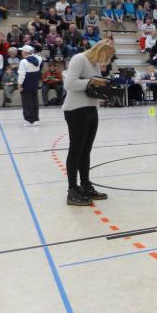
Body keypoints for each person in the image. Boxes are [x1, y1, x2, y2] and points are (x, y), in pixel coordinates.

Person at [62, 40, 116, 205]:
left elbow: (91, 85)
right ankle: (72, 190)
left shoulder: (94, 63)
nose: (105, 62)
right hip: (76, 110)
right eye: (106, 57)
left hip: (91, 109)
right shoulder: (79, 59)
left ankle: (85, 185)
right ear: (100, 52)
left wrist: (102, 89)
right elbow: (69, 84)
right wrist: (92, 81)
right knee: (76, 150)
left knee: (86, 151)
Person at [17, 44, 42, 126]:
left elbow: (22, 74)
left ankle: (29, 120)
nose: (21, 52)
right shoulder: (39, 59)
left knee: (26, 102)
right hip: (35, 83)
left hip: (26, 84)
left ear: (25, 52)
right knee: (35, 101)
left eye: (22, 51)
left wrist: (19, 84)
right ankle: (36, 119)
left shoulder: (23, 61)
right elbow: (36, 56)